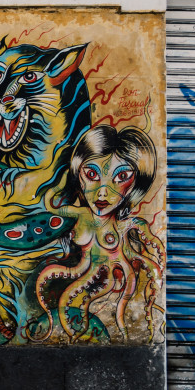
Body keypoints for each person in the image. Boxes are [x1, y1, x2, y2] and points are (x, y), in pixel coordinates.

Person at [34, 125, 164, 341]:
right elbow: (52, 203)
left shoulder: (128, 226)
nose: (103, 192)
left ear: (136, 182)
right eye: (92, 174)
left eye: (122, 176)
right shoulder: (78, 215)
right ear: (78, 172)